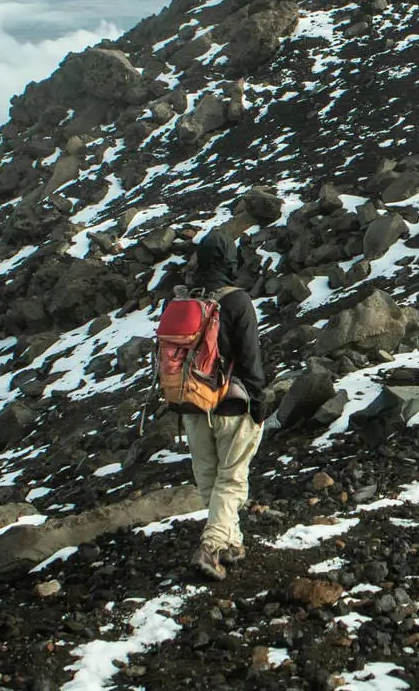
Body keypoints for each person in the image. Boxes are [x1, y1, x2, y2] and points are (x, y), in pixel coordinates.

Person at [174, 231, 266, 581]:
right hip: (231, 406)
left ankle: (232, 543)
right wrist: (258, 405)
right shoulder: (237, 301)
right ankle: (211, 547)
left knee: (210, 482)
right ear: (230, 261)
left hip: (192, 405)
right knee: (232, 480)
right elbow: (250, 359)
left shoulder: (182, 301)